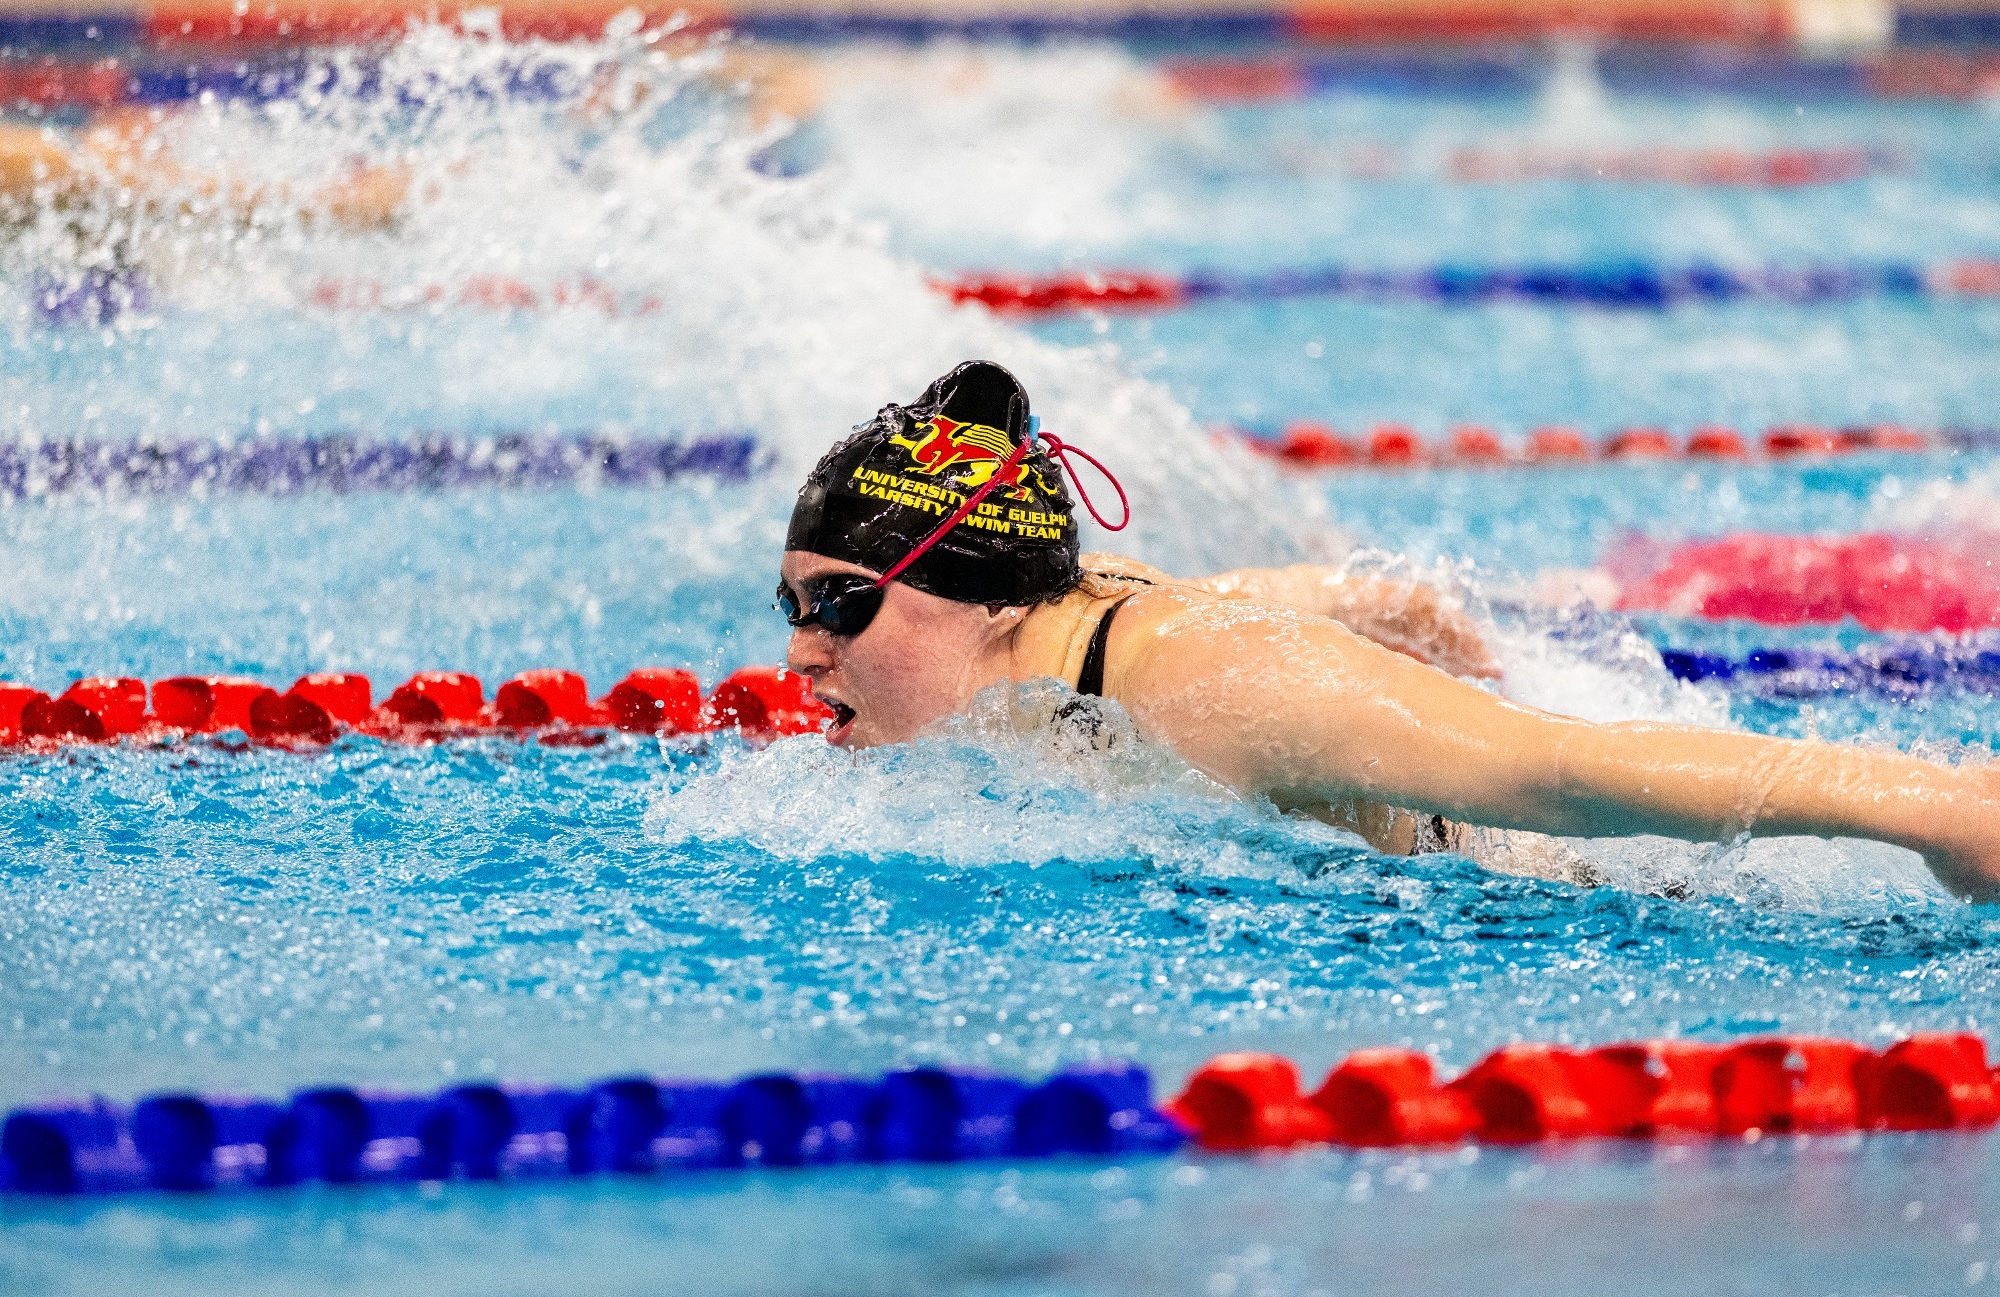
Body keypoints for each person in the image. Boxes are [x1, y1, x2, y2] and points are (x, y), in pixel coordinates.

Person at [779, 360, 2000, 901]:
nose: (801, 650)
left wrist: (1938, 815)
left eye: (840, 601)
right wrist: (1395, 607)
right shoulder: (1067, 628)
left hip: (1593, 883)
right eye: (793, 606)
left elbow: (1558, 770)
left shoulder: (1211, 685)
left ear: (983, 600)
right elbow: (1266, 589)